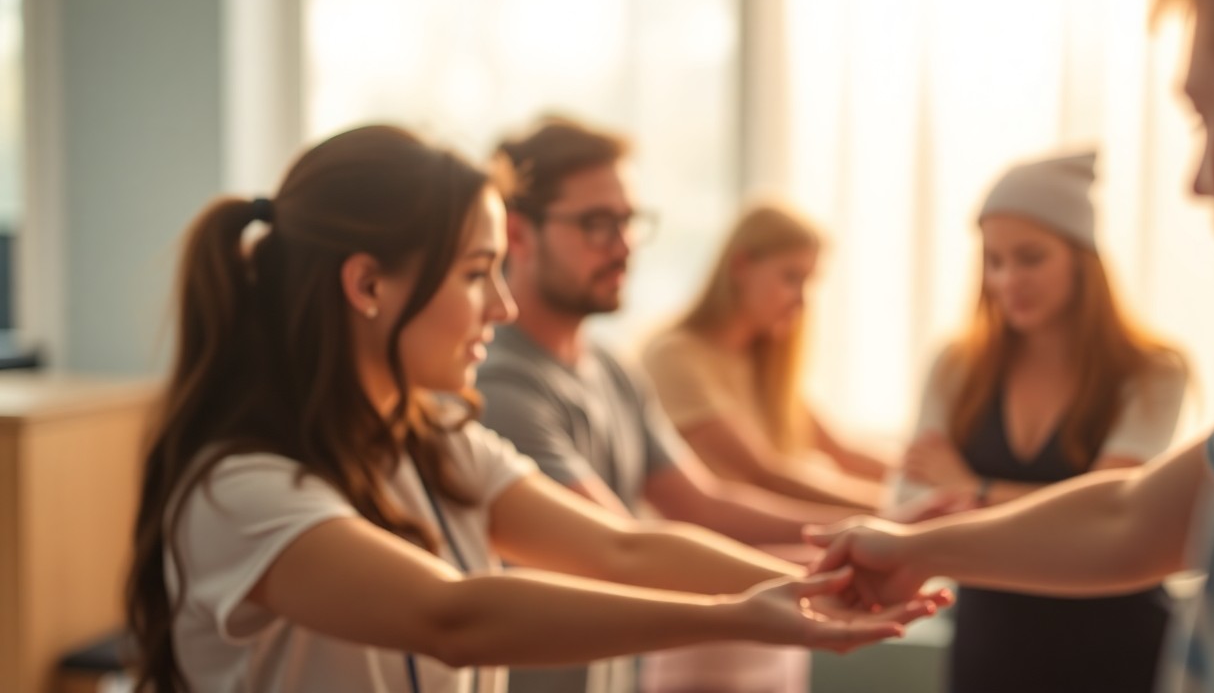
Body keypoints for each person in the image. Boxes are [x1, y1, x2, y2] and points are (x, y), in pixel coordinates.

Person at [124, 125, 945, 693]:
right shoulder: (242, 490)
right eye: (477, 273)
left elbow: (623, 548)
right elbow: (453, 616)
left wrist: (813, 587)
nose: (502, 308)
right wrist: (743, 614)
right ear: (368, 285)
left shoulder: (439, 445)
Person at [805, 0, 1214, 691]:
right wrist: (916, 547)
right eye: (995, 260)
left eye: (1204, 116)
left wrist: (963, 497)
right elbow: (1125, 516)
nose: (1196, 181)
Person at [476, 118, 894, 693]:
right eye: (597, 224)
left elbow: (703, 502)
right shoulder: (502, 385)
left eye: (627, 222)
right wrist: (828, 579)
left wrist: (863, 537)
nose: (622, 245)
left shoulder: (613, 368)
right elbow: (619, 550)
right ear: (518, 234)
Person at [884, 150, 1188, 692]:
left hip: (1116, 645)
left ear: (1080, 257)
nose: (1007, 281)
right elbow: (912, 502)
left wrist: (971, 488)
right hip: (991, 641)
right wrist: (1014, 499)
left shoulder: (1153, 374)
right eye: (994, 261)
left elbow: (1108, 519)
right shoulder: (955, 368)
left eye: (1029, 258)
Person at [636, 202, 893, 693]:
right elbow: (763, 471)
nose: (801, 298)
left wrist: (941, 485)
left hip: (778, 590)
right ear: (741, 266)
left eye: (810, 282)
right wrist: (900, 512)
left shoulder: (765, 367)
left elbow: (845, 451)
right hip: (708, 599)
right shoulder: (675, 356)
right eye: (791, 277)